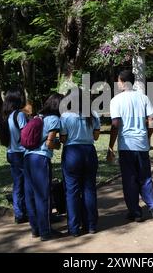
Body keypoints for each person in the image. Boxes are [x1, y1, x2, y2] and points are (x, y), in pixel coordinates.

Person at [107, 70, 153, 222]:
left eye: (118, 80)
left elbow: (115, 124)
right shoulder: (143, 98)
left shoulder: (116, 100)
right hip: (141, 145)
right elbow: (152, 121)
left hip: (126, 147)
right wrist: (147, 136)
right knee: (145, 177)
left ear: (122, 81)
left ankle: (135, 212)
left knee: (129, 180)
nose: (117, 83)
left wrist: (111, 146)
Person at [23, 93, 63, 242]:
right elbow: (49, 143)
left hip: (27, 158)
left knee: (31, 195)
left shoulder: (37, 117)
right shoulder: (54, 119)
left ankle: (35, 229)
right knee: (43, 196)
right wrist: (58, 144)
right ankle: (46, 231)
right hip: (40, 159)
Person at [60, 89, 100, 237]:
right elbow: (96, 137)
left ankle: (74, 228)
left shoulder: (65, 116)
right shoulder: (93, 115)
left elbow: (63, 139)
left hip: (72, 152)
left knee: (72, 191)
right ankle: (91, 225)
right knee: (89, 189)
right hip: (89, 152)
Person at [0, 88, 28, 224]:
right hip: (21, 154)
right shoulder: (19, 115)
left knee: (17, 185)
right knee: (27, 184)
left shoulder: (4, 116)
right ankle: (28, 211)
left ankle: (19, 213)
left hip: (11, 153)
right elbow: (26, 136)